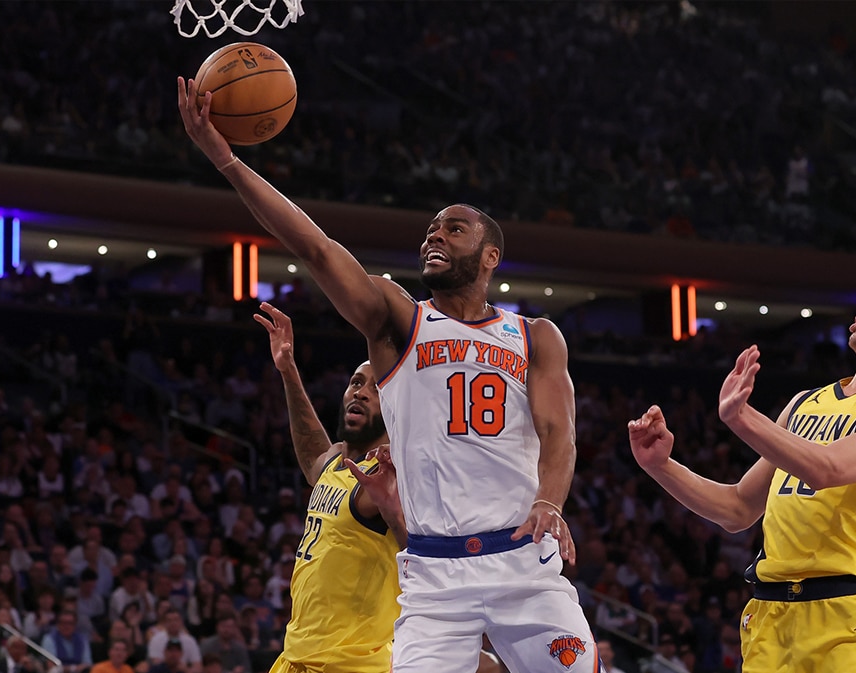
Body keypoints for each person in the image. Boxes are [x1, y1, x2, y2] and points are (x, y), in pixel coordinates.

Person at [180, 79, 594, 673]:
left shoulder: (537, 336)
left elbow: (559, 435)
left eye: (454, 228)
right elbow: (319, 249)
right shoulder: (399, 320)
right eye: (431, 227)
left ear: (491, 256)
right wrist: (226, 160)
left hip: (522, 562)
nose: (435, 234)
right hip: (432, 577)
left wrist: (551, 502)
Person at [629, 259, 856, 673]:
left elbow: (826, 468)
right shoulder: (805, 403)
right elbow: (737, 508)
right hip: (770, 618)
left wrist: (742, 418)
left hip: (853, 619)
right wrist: (660, 466)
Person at [252, 303, 501, 673]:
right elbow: (312, 458)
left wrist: (395, 514)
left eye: (376, 388)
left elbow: (433, 564)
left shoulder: (393, 473)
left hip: (350, 666)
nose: (361, 393)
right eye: (356, 383)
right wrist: (288, 371)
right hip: (296, 657)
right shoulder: (337, 462)